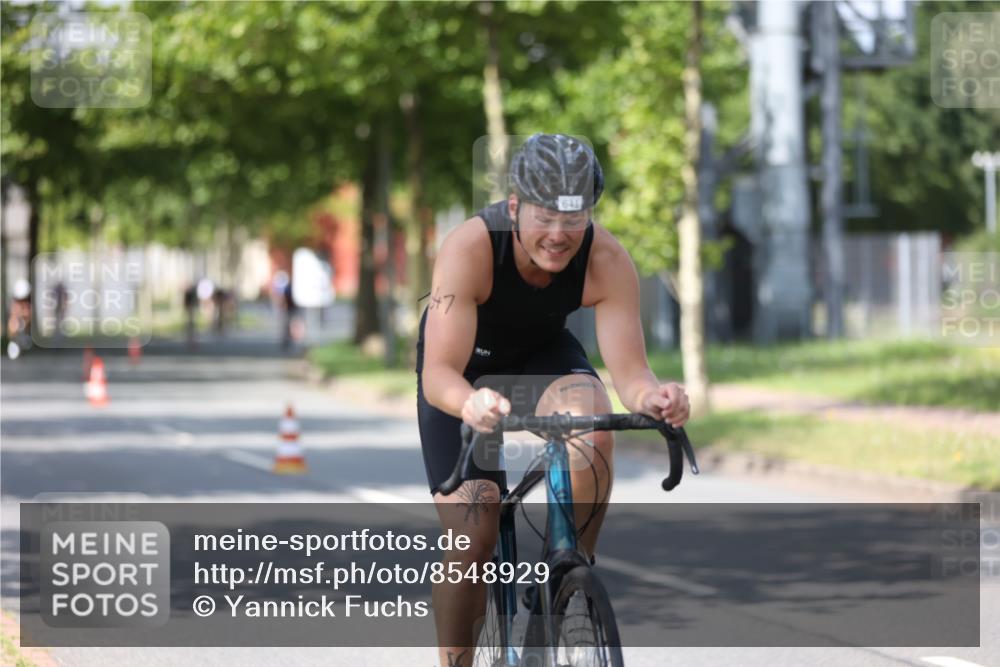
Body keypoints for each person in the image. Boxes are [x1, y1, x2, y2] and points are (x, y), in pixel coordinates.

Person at [416, 133, 691, 667]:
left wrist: (656, 398)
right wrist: (470, 402)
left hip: (542, 352)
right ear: (515, 206)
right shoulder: (469, 248)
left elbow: (631, 374)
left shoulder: (606, 258)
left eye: (575, 218)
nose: (560, 235)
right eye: (545, 217)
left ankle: (569, 573)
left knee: (594, 421)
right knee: (474, 539)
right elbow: (439, 374)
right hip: (464, 372)